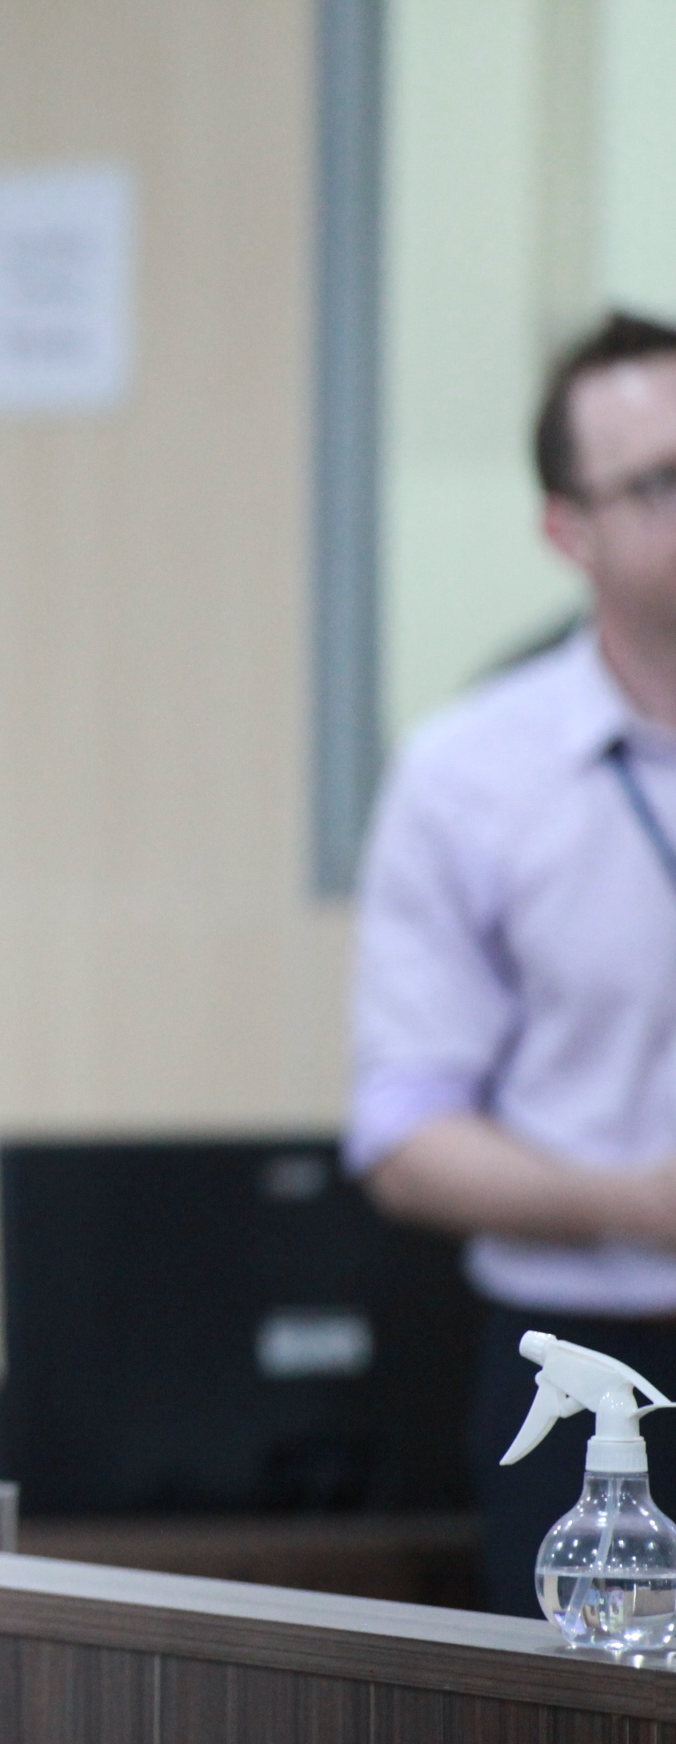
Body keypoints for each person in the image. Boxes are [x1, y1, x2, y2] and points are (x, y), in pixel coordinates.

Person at [349, 311, 676, 1615]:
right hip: (593, 1375)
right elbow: (404, 1131)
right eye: (657, 483)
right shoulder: (472, 774)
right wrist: (645, 1205)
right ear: (568, 531)